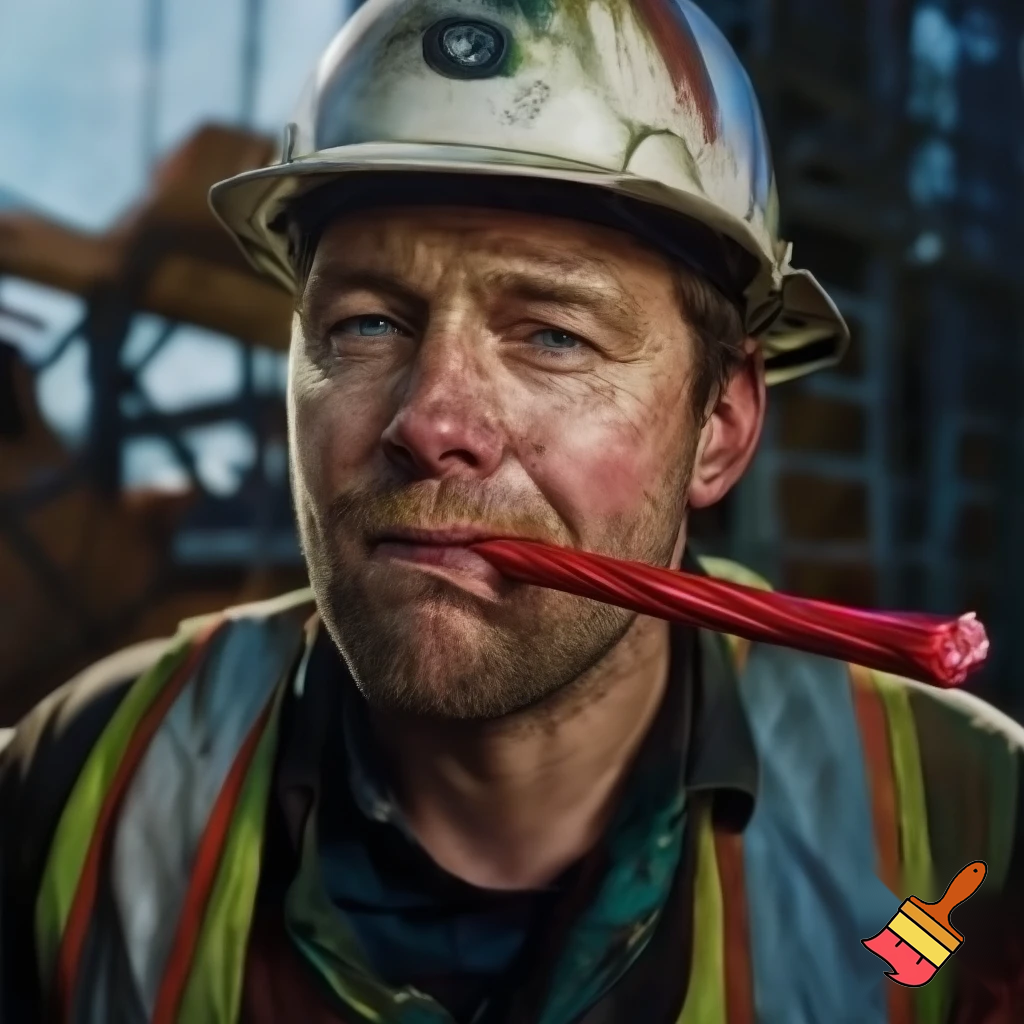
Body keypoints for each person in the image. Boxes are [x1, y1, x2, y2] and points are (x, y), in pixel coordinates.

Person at [2, 0, 1022, 1021]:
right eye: (365, 324)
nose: (432, 422)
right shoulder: (78, 783)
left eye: (553, 337)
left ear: (719, 427)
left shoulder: (969, 822)